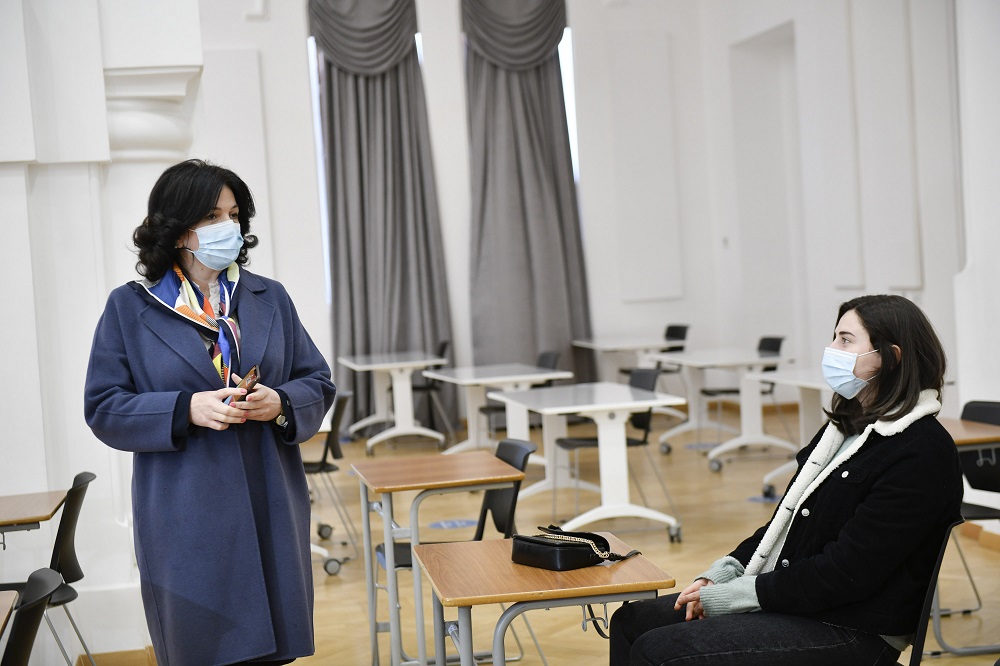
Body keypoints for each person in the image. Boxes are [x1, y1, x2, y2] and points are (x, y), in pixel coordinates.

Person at [610, 294, 963, 666]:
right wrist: (722, 574)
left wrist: (739, 596)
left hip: (853, 628)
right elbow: (784, 523)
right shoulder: (845, 430)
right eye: (834, 337)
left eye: (845, 340)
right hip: (803, 601)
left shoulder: (920, 450)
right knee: (632, 621)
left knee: (658, 650)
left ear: (891, 357)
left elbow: (847, 573)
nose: (831, 349)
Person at [85, 159, 337, 666]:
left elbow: (317, 380)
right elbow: (104, 406)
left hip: (269, 496)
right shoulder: (130, 308)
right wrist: (186, 408)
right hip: (186, 512)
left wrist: (281, 402)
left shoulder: (269, 297)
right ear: (178, 229)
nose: (229, 227)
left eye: (234, 215)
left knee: (274, 648)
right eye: (213, 216)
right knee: (203, 648)